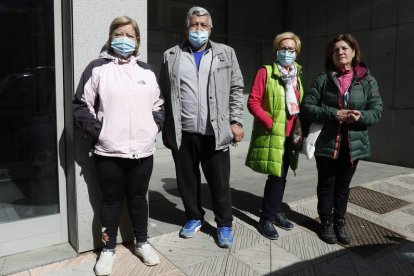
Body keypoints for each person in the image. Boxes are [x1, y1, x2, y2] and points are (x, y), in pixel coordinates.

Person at [73, 16, 164, 275]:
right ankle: (108, 249)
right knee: (110, 202)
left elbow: (159, 105)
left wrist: (154, 127)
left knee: (138, 199)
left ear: (137, 41)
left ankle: (142, 243)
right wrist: (99, 133)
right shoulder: (97, 68)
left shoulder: (146, 71)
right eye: (119, 33)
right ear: (111, 37)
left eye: (130, 35)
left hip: (142, 151)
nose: (124, 39)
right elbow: (81, 105)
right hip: (108, 151)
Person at [159, 6, 244, 248]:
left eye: (203, 25)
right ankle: (194, 218)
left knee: (219, 182)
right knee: (187, 180)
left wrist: (236, 121)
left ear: (210, 29)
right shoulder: (171, 55)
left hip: (215, 133)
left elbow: (236, 89)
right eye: (194, 24)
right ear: (186, 27)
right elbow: (164, 92)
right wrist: (165, 127)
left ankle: (224, 224)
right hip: (182, 132)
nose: (198, 29)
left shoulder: (226, 53)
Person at [302, 34, 382, 245]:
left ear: (354, 52)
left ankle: (340, 222)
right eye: (336, 50)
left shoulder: (367, 80)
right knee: (326, 184)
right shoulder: (323, 78)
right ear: (332, 56)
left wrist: (361, 116)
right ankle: (326, 222)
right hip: (327, 143)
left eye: (345, 48)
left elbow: (377, 110)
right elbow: (308, 107)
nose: (340, 52)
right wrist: (333, 113)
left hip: (353, 145)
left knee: (343, 186)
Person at [245, 32, 304, 240]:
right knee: (276, 177)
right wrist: (270, 123)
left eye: (291, 49)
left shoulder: (297, 74)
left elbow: (297, 104)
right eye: (283, 48)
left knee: (283, 176)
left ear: (296, 52)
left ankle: (276, 210)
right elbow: (253, 102)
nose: (287, 52)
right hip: (274, 133)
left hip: (290, 136)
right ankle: (267, 218)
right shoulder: (266, 72)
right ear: (276, 50)